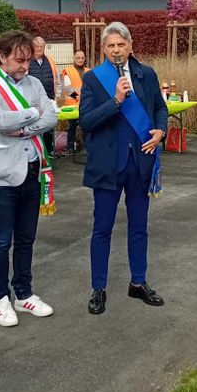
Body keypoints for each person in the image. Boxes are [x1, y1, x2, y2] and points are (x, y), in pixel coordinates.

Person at [79, 21, 168, 315]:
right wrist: (116, 101)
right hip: (108, 165)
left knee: (139, 227)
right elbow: (87, 121)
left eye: (121, 45)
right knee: (102, 229)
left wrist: (160, 130)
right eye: (111, 46)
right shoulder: (93, 79)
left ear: (131, 46)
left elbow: (159, 108)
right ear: (103, 49)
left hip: (140, 162)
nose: (116, 50)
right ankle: (99, 288)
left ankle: (138, 282)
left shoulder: (146, 74)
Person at [0, 30, 58, 327]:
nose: (26, 65)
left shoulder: (35, 83)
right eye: (20, 60)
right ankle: (0, 298)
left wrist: (26, 124)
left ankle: (24, 293)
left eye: (28, 59)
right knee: (0, 241)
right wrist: (34, 112)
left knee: (26, 239)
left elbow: (51, 117)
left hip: (32, 171)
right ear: (2, 57)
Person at [28, 36, 60, 159]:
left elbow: (57, 81)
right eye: (36, 46)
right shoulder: (28, 62)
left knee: (48, 126)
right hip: (33, 102)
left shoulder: (51, 61)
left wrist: (56, 97)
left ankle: (49, 151)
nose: (39, 48)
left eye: (41, 46)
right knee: (35, 127)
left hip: (49, 100)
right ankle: (36, 152)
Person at [62, 49, 89, 154]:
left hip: (85, 105)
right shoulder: (68, 71)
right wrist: (78, 97)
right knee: (72, 128)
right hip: (72, 106)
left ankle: (88, 148)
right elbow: (67, 88)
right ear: (74, 58)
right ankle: (69, 148)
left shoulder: (89, 71)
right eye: (78, 58)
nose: (80, 60)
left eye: (82, 58)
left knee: (86, 126)